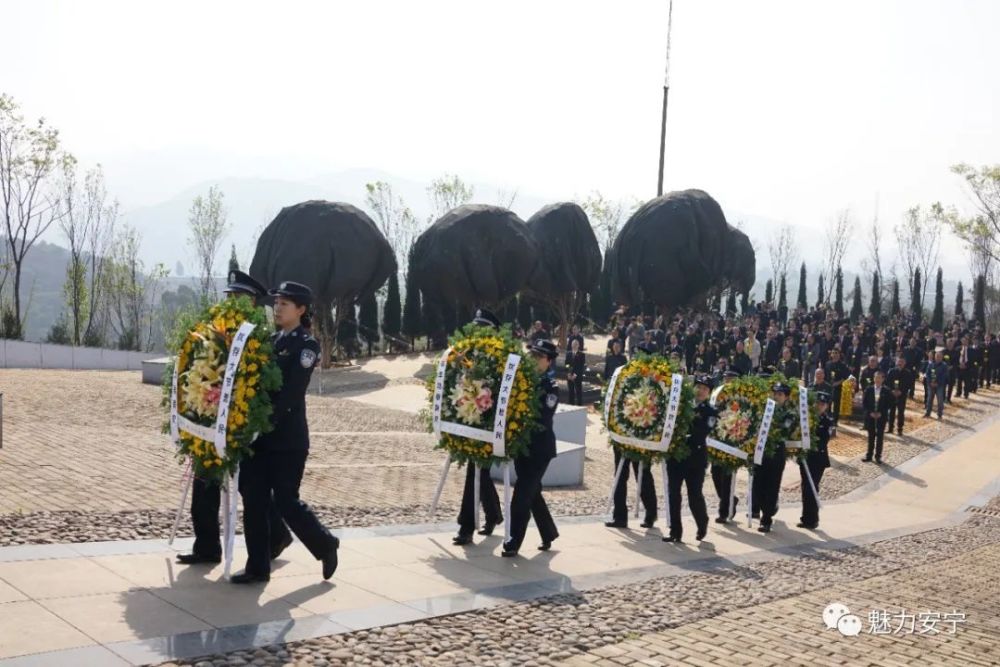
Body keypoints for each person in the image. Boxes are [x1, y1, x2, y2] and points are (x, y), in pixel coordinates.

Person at [177, 270, 292, 566]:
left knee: (250, 489)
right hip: (211, 422)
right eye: (228, 297)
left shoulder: (259, 339)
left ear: (253, 303)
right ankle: (206, 546)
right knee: (205, 482)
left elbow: (265, 385)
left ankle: (278, 534)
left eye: (238, 299)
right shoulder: (214, 335)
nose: (231, 304)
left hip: (243, 425)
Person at [233, 281, 339, 584]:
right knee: (253, 498)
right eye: (276, 303)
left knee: (286, 501)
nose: (277, 308)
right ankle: (257, 566)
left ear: (301, 310)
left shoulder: (306, 346)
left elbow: (292, 395)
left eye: (284, 304)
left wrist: (260, 423)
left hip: (286, 440)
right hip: (260, 438)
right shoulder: (270, 339)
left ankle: (325, 544)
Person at [502, 339, 560, 557]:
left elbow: (543, 418)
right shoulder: (522, 380)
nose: (534, 360)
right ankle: (548, 532)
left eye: (539, 357)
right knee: (532, 492)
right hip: (522, 447)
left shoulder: (550, 387)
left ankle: (513, 541)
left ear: (549, 362)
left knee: (522, 495)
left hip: (539, 450)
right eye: (533, 356)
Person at [452, 308, 505, 546]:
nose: (478, 333)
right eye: (476, 328)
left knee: (475, 472)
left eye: (483, 329)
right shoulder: (469, 355)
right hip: (469, 418)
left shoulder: (499, 358)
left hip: (489, 422)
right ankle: (493, 515)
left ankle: (466, 527)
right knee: (478, 472)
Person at [663, 375, 715, 542]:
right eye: (698, 387)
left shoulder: (711, 412)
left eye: (705, 389)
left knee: (694, 495)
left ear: (709, 393)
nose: (700, 391)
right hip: (676, 457)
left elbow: (701, 434)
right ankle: (675, 531)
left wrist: (682, 433)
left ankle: (702, 521)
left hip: (696, 459)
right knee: (673, 493)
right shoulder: (680, 404)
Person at [755, 382, 795, 533]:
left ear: (786, 397)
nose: (777, 397)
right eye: (775, 394)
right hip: (761, 452)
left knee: (772, 486)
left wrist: (772, 426)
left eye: (780, 394)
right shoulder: (765, 409)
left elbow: (785, 429)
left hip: (777, 454)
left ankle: (766, 520)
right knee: (758, 486)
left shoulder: (789, 414)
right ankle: (768, 507)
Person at [797, 391, 832, 529]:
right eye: (817, 403)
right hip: (806, 457)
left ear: (826, 406)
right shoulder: (807, 419)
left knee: (812, 487)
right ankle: (806, 518)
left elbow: (823, 440)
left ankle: (812, 519)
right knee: (806, 487)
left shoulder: (827, 421)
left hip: (818, 459)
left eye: (822, 404)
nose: (819, 406)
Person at [862, 370, 891, 463]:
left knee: (880, 437)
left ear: (883, 379)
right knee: (871, 437)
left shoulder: (886, 390)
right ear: (873, 379)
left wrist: (881, 413)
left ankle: (878, 456)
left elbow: (889, 404)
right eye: (876, 378)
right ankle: (869, 455)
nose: (877, 380)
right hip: (870, 417)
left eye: (879, 378)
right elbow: (865, 403)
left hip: (881, 417)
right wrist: (870, 412)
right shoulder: (869, 389)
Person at [885, 356, 913, 435]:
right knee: (891, 412)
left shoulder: (907, 373)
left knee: (901, 412)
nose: (900, 363)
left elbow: (909, 384)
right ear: (896, 362)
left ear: (904, 363)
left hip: (902, 395)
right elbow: (887, 382)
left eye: (902, 362)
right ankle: (890, 428)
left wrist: (902, 391)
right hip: (892, 395)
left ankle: (900, 429)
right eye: (899, 362)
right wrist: (892, 390)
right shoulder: (891, 371)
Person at [923, 349, 948, 420]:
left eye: (939, 356)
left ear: (942, 357)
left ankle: (939, 414)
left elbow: (944, 376)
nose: (938, 358)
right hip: (931, 385)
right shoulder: (931, 364)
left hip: (939, 386)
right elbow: (927, 374)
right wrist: (930, 382)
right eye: (937, 356)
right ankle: (928, 413)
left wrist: (937, 383)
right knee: (929, 399)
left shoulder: (944, 365)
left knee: (940, 400)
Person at [564, 338, 586, 406]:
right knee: (571, 392)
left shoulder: (582, 354)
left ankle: (579, 406)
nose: (574, 345)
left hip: (578, 376)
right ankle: (571, 406)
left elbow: (581, 366)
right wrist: (568, 374)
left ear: (578, 345)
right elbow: (566, 364)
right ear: (571, 345)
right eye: (573, 344)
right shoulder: (568, 354)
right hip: (570, 376)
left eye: (576, 344)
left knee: (578, 392)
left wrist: (575, 375)